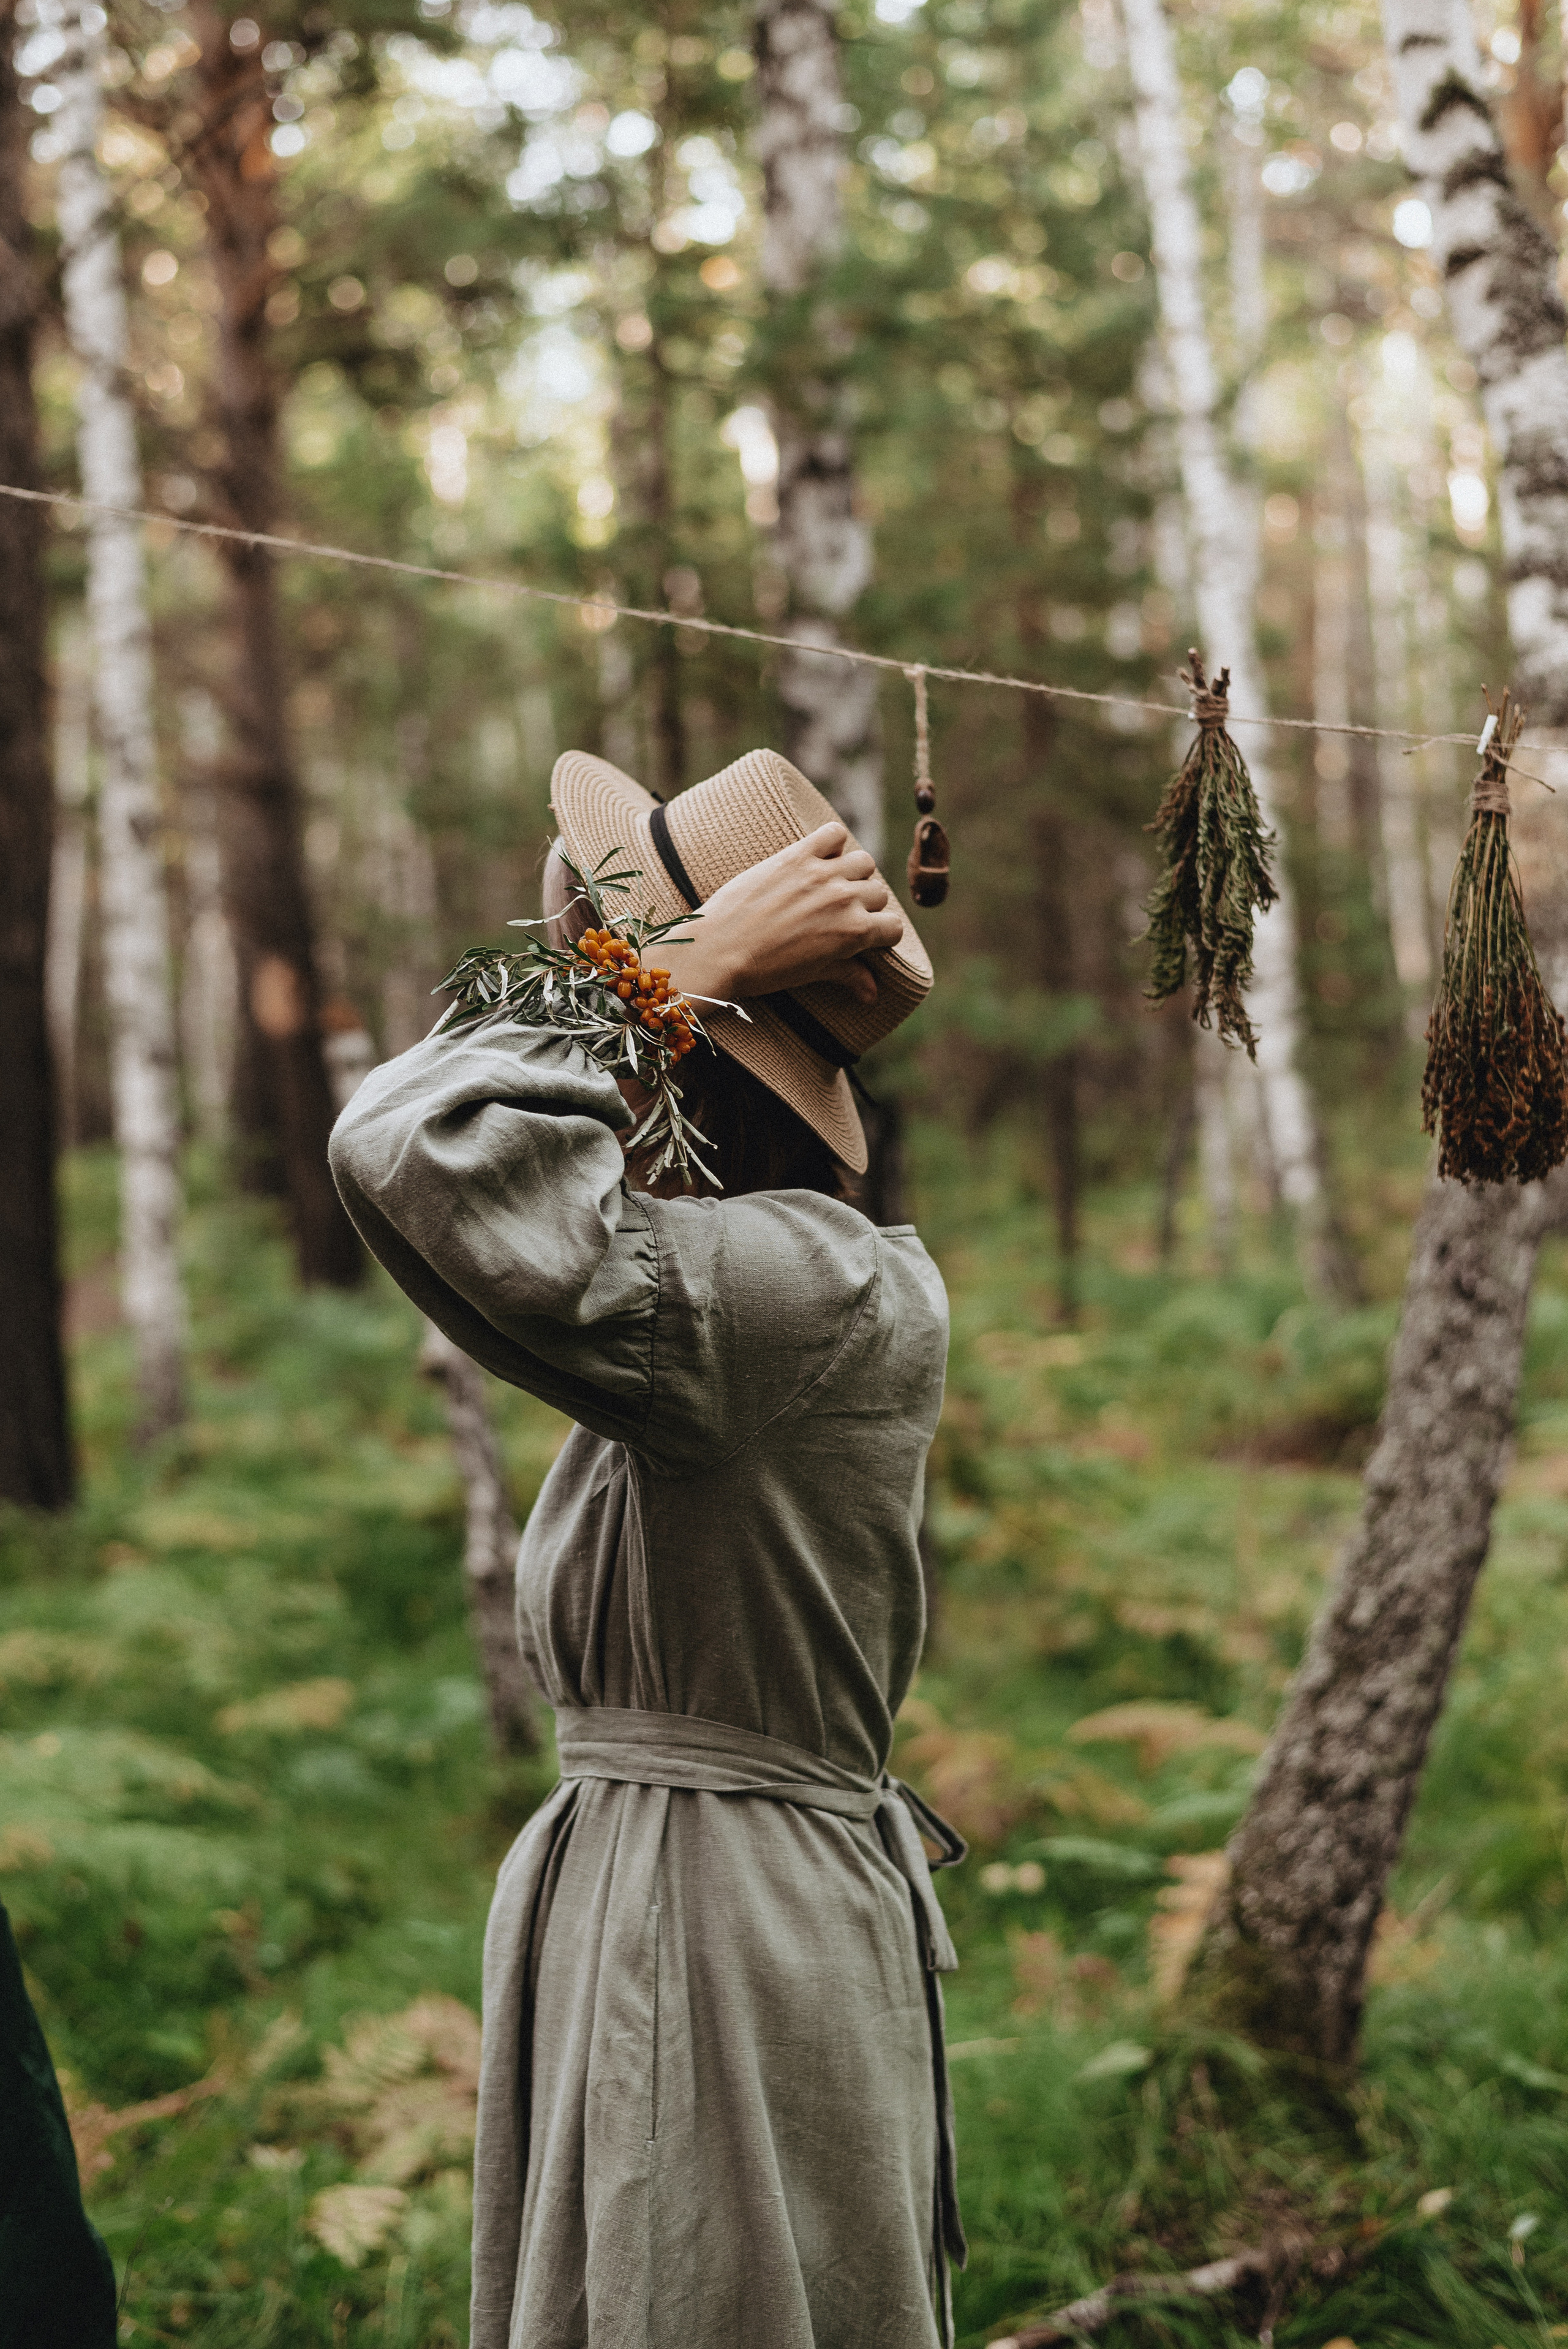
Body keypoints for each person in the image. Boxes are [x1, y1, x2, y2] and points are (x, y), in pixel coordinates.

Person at [329, 746, 966, 2349]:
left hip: (727, 1931)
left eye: (604, 962)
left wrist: (687, 960)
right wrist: (682, 976)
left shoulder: (801, 1294)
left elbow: (409, 1142)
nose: (586, 989)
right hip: (674, 1890)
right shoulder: (706, 1295)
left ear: (705, 1037)